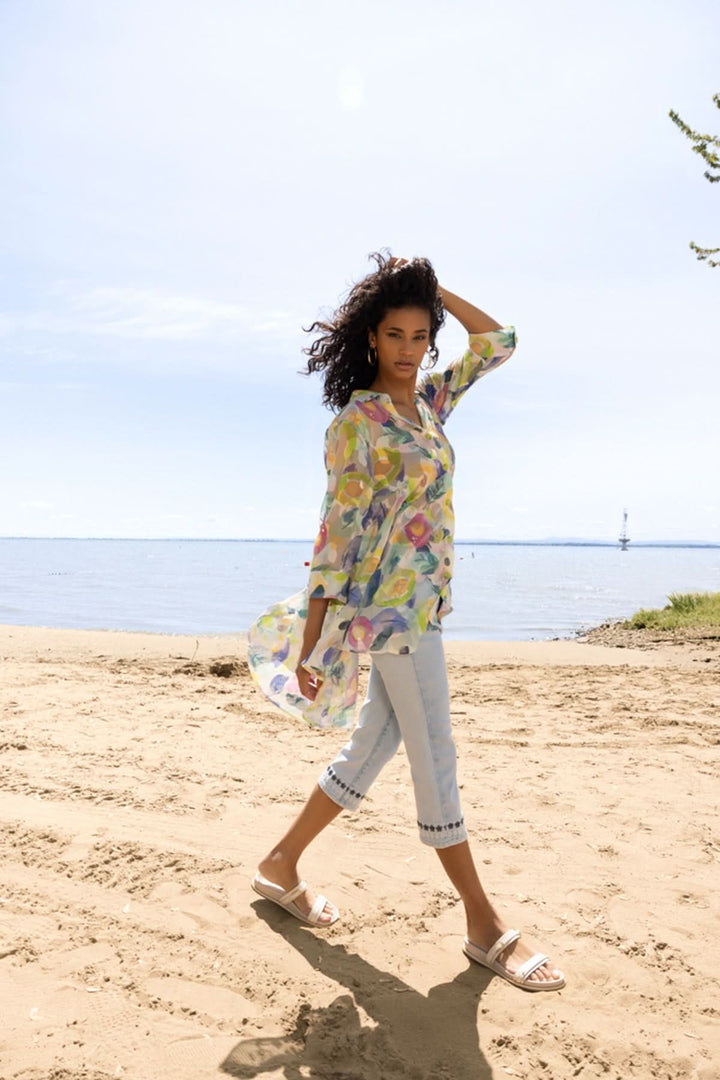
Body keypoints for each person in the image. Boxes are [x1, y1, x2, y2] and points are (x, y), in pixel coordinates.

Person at [248, 253, 565, 992]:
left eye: (421, 335)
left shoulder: (431, 403)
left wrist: (430, 288)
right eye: (394, 333)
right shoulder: (355, 424)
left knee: (374, 744)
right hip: (387, 615)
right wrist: (310, 642)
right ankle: (483, 923)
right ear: (371, 336)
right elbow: (335, 536)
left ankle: (280, 863)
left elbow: (501, 341)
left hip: (424, 605)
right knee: (436, 756)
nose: (408, 348)